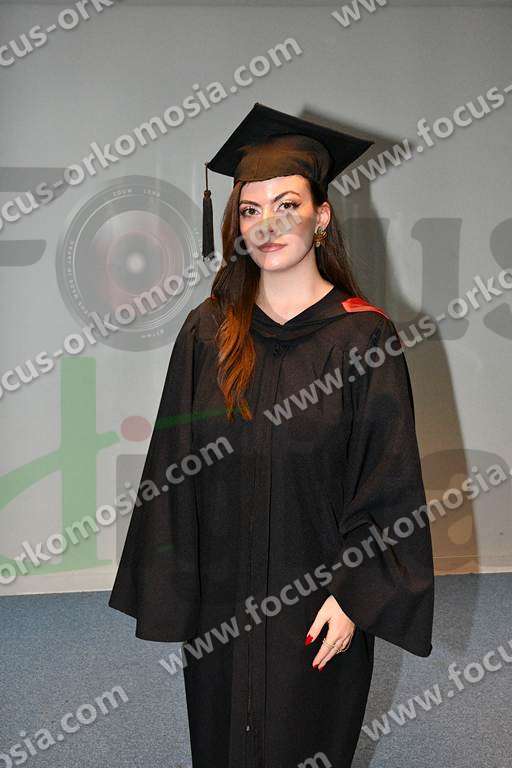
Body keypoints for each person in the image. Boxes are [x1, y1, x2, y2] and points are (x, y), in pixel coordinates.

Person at [108, 102, 435, 768]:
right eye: (251, 210)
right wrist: (180, 588)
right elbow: (173, 469)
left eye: (288, 205)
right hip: (222, 602)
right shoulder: (208, 332)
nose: (268, 225)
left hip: (316, 599)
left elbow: (389, 481)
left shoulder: (362, 337)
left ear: (322, 217)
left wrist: (356, 594)